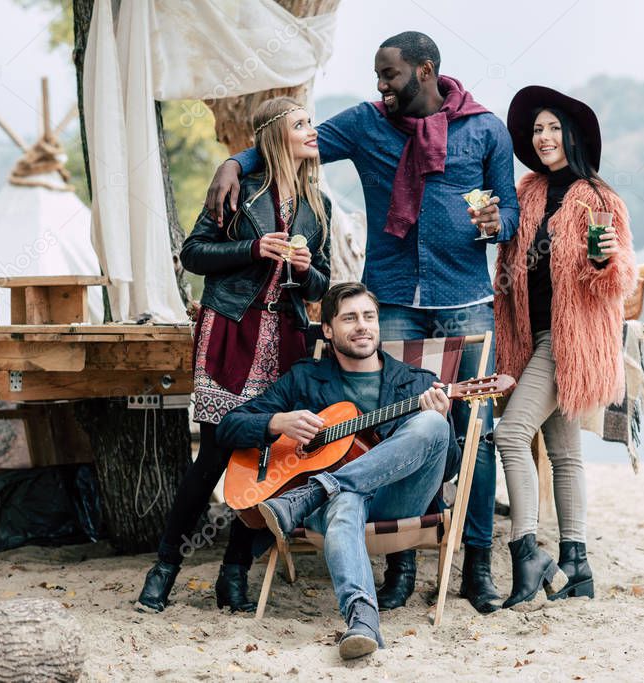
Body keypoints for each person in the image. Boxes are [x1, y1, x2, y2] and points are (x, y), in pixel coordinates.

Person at [204, 32, 517, 614]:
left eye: (389, 75)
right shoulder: (367, 124)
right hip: (393, 297)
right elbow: (295, 143)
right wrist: (234, 161)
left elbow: (511, 211)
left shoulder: (485, 129)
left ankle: (475, 563)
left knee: (478, 431)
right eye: (377, 75)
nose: (380, 85)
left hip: (466, 298)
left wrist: (498, 222)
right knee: (392, 424)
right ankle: (400, 560)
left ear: (425, 71)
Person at [135, 97, 332, 614]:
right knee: (215, 457)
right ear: (275, 135)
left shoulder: (318, 204)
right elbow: (193, 253)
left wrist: (309, 269)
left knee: (267, 460)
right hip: (231, 333)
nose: (313, 130)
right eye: (301, 124)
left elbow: (324, 283)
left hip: (286, 341)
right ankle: (163, 570)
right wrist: (252, 249)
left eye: (311, 122)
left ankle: (234, 574)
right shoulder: (239, 188)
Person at [215, 282, 460, 659]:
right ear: (327, 329)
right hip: (337, 508)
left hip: (397, 500)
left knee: (431, 426)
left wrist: (440, 421)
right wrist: (279, 422)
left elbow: (449, 469)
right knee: (344, 500)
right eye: (349, 318)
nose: (362, 326)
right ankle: (362, 620)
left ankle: (315, 489)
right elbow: (230, 426)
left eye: (369, 317)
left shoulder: (418, 383)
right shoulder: (305, 379)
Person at [492, 86, 638, 610]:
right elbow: (507, 244)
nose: (545, 136)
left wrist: (603, 260)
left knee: (510, 434)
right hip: (532, 337)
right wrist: (490, 223)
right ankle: (576, 565)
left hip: (569, 341)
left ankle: (527, 552)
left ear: (572, 137)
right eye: (537, 129)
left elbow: (617, 281)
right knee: (564, 453)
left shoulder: (599, 198)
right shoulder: (527, 191)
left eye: (554, 128)